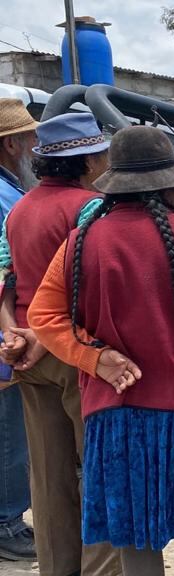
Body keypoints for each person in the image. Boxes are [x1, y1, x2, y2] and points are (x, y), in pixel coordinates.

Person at [28, 125, 174, 572]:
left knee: (136, 537)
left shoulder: (82, 241)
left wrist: (95, 358)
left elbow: (44, 316)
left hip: (118, 413)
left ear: (113, 185)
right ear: (172, 184)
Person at [0, 112, 121, 576]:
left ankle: (57, 567)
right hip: (75, 352)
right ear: (88, 161)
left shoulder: (20, 208)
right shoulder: (90, 208)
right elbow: (83, 289)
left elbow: (5, 277)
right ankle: (102, 569)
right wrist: (47, 338)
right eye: (101, 154)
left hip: (28, 355)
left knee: (49, 474)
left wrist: (14, 333)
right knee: (100, 468)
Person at [0, 97, 35, 563]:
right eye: (28, 139)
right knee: (10, 430)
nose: (33, 148)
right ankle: (7, 521)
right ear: (10, 145)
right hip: (9, 333)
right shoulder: (8, 199)